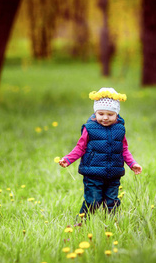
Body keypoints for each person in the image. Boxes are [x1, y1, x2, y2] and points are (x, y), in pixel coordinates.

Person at [59, 87, 142, 218]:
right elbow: (80, 147)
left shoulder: (120, 129)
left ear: (117, 114)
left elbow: (124, 149)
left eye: (110, 114)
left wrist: (132, 164)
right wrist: (68, 159)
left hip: (113, 173)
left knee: (112, 202)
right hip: (92, 173)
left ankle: (112, 223)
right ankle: (82, 222)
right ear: (95, 112)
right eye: (101, 114)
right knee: (93, 201)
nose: (105, 118)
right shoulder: (90, 128)